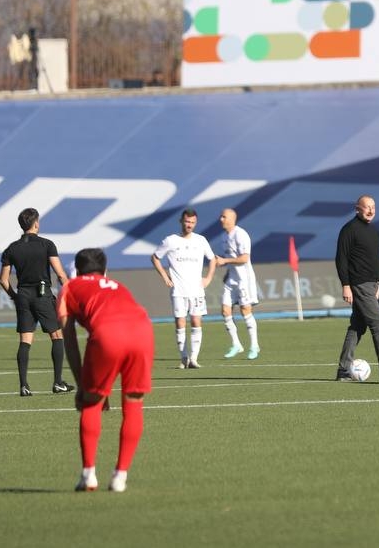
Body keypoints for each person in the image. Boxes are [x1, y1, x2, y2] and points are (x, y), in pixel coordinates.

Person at [58, 247, 154, 493]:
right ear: (105, 270)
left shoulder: (69, 287)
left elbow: (68, 339)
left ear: (77, 271)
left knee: (91, 404)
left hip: (107, 336)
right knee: (133, 403)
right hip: (143, 331)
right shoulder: (117, 285)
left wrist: (83, 385)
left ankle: (89, 474)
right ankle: (120, 476)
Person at [0, 207, 73, 396]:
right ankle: (58, 383)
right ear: (36, 223)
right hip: (42, 295)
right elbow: (60, 274)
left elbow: (3, 280)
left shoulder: (11, 249)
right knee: (57, 336)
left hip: (23, 295)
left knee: (25, 341)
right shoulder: (46, 244)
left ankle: (24, 386)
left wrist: (15, 296)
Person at [334, 195, 379, 381]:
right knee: (378, 322)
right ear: (357, 209)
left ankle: (343, 370)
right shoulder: (349, 230)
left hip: (371, 285)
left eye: (373, 207)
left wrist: (377, 283)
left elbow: (375, 259)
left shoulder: (374, 231)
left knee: (357, 326)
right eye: (366, 207)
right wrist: (346, 285)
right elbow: (341, 259)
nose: (371, 210)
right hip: (359, 284)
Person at [152, 209, 216, 369]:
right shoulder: (171, 240)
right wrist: (165, 277)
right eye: (187, 222)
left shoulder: (201, 240)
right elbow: (155, 257)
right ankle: (184, 358)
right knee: (180, 323)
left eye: (193, 222)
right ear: (181, 221)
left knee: (196, 321)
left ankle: (194, 358)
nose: (189, 225)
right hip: (179, 291)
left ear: (196, 223)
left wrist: (208, 278)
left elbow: (213, 259)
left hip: (196, 291)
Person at [212, 208, 260, 360]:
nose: (221, 219)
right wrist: (227, 273)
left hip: (244, 280)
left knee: (245, 310)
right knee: (225, 311)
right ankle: (236, 344)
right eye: (220, 216)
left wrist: (224, 261)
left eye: (224, 216)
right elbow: (231, 259)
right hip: (231, 279)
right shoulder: (224, 236)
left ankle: (254, 345)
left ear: (232, 218)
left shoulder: (241, 234)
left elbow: (244, 258)